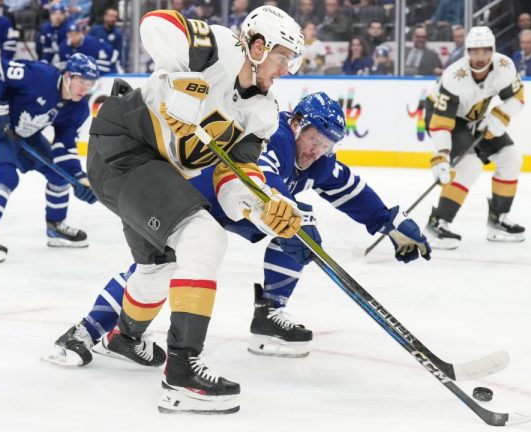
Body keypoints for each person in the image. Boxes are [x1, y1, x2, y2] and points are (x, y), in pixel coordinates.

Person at [47, 92, 430, 366]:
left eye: (326, 145)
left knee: (292, 231)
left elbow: (350, 190)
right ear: (298, 125)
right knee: (156, 270)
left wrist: (391, 223)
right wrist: (298, 216)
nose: (317, 150)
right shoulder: (274, 135)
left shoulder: (318, 160)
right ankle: (86, 330)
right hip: (184, 200)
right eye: (314, 139)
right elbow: (263, 179)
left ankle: (268, 315)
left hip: (232, 209)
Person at [82, 5, 305, 415]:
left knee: (160, 266)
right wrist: (188, 86)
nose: (287, 69)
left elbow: (233, 181)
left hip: (153, 171)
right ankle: (181, 371)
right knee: (203, 236)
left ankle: (125, 338)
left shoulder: (263, 113)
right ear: (258, 46)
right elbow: (155, 23)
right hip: (121, 148)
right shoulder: (217, 47)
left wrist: (264, 208)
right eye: (283, 57)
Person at [0, 53, 99, 263]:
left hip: (26, 133)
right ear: (68, 76)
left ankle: (55, 227)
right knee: (6, 176)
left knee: (59, 175)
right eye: (81, 81)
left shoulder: (78, 108)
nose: (85, 88)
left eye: (89, 83)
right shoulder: (40, 76)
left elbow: (65, 145)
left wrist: (78, 178)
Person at [425, 26, 526, 249]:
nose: (479, 58)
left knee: (511, 157)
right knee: (469, 165)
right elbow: (441, 122)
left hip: (477, 117)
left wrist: (503, 114)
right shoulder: (453, 76)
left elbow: (518, 96)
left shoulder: (505, 67)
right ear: (467, 52)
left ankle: (498, 219)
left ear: (493, 51)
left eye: (484, 51)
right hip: (446, 119)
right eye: (474, 51)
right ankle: (439, 222)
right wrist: (442, 155)